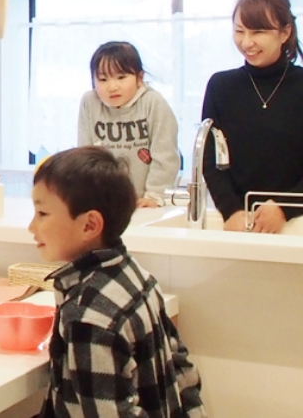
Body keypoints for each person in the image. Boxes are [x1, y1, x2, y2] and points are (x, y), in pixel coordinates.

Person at [29, 146, 206, 418]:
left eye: (42, 214)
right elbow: (181, 369)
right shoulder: (138, 277)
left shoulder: (88, 318)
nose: (31, 227)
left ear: (90, 225)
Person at [202, 0, 303, 233]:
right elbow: (210, 159)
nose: (246, 42)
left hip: (300, 223)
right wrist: (231, 210)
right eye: (239, 31)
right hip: (239, 222)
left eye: (258, 31)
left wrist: (284, 208)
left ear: (285, 32)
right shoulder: (220, 86)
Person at [77, 41, 180, 208]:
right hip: (103, 201)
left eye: (121, 77)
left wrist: (155, 194)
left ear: (139, 78)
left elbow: (165, 154)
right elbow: (85, 154)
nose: (112, 87)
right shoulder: (90, 102)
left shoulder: (153, 102)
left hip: (144, 201)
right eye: (103, 79)